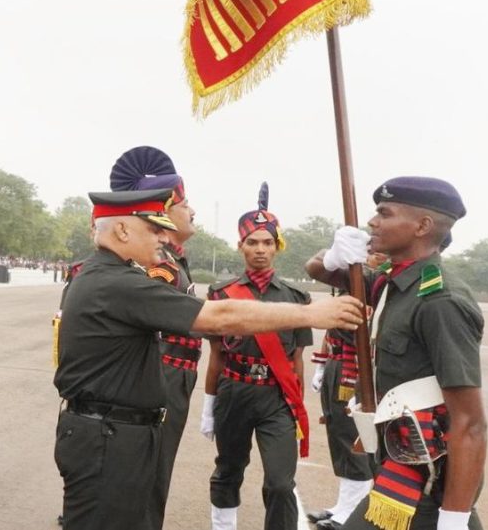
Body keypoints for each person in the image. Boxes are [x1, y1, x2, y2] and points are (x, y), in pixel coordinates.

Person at [53, 187, 365, 530]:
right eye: (154, 229)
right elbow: (221, 317)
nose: (162, 236)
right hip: (108, 439)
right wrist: (311, 314)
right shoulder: (117, 282)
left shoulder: (110, 276)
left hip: (114, 434)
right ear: (123, 230)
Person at [306, 176, 486, 530]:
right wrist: (333, 255)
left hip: (424, 480)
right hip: (395, 459)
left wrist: (453, 520)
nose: (373, 222)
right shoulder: (393, 281)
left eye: (384, 214)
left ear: (422, 226)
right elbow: (316, 270)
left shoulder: (440, 300)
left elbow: (471, 422)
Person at [200, 183, 312, 530]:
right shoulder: (221, 294)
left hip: (276, 398)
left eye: (267, 242)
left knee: (280, 482)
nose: (260, 250)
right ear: (241, 246)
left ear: (277, 247)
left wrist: (298, 405)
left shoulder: (296, 297)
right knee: (229, 470)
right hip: (233, 392)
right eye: (253, 242)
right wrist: (208, 405)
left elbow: (296, 360)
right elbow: (216, 355)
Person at [108, 146, 201, 530]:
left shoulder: (173, 259)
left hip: (173, 376)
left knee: (153, 478)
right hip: (162, 376)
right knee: (149, 480)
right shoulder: (160, 263)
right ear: (164, 210)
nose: (192, 211)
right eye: (184, 203)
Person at [305, 255, 389, 529]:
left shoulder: (374, 288)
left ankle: (352, 508)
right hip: (337, 364)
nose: (368, 256)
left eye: (374, 253)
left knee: (352, 437)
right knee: (337, 431)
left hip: (354, 369)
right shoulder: (350, 287)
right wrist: (323, 366)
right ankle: (344, 503)